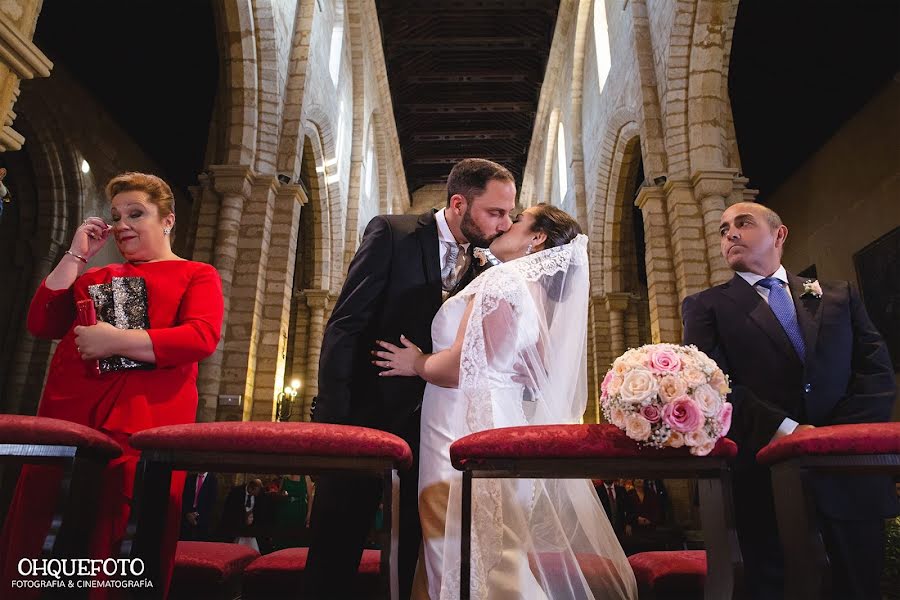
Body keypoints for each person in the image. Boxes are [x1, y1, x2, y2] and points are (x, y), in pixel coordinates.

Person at [376, 204, 637, 599]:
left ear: (537, 238)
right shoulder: (534, 294)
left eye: (518, 220)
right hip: (499, 415)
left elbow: (464, 366)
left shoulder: (502, 280)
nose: (505, 225)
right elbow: (526, 366)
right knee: (491, 546)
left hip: (461, 419)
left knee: (455, 539)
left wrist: (416, 362)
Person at [0, 172, 223, 597]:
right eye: (116, 215)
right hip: (71, 424)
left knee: (119, 546)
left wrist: (116, 340)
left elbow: (201, 337)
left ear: (168, 220)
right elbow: (42, 322)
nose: (121, 225)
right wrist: (76, 255)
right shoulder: (96, 276)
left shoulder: (197, 274)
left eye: (136, 213)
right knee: (43, 543)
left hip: (141, 425)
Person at [304, 159, 516, 599]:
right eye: (495, 213)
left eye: (509, 213)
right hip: (367, 414)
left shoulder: (488, 266)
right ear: (459, 204)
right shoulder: (393, 234)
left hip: (438, 428)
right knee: (338, 538)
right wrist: (329, 417)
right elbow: (346, 324)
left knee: (421, 546)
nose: (505, 223)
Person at [681, 201, 897, 599]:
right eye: (724, 228)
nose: (730, 233)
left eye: (743, 223)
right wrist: (790, 431)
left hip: (848, 473)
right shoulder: (706, 306)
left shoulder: (836, 296)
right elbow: (713, 384)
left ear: (779, 235)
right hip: (764, 472)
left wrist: (833, 439)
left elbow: (876, 372)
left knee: (861, 586)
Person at [221, 479, 263, 552]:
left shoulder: (260, 494)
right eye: (254, 492)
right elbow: (230, 511)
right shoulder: (236, 493)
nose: (256, 494)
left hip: (251, 529)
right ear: (250, 488)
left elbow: (260, 510)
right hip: (236, 526)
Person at [181, 471, 218, 541]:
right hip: (187, 518)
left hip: (203, 520)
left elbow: (211, 502)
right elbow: (184, 498)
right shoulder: (190, 478)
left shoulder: (213, 480)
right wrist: (187, 514)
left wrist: (196, 514)